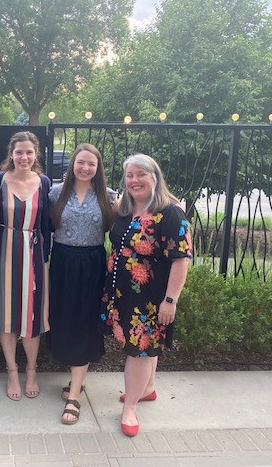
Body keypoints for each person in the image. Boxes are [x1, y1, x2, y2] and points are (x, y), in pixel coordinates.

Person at [103, 153, 192, 437]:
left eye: (141, 174)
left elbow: (181, 259)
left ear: (155, 176)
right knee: (146, 347)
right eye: (129, 175)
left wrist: (171, 300)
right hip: (123, 293)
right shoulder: (126, 208)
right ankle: (148, 388)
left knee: (140, 349)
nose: (134, 180)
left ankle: (130, 407)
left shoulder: (171, 213)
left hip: (150, 300)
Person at [48, 143, 118, 425]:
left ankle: (75, 394)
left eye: (91, 163)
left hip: (92, 264)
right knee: (64, 320)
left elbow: (140, 209)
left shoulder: (109, 196)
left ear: (98, 167)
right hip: (63, 262)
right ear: (72, 165)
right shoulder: (55, 193)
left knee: (85, 322)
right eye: (81, 162)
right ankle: (78, 376)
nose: (86, 168)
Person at [0, 131, 51, 401]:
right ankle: (12, 371)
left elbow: (47, 222)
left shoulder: (44, 182)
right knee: (7, 314)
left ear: (36, 155)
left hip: (34, 253)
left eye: (29, 152)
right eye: (19, 152)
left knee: (32, 316)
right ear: (11, 154)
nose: (24, 157)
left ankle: (31, 370)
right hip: (3, 252)